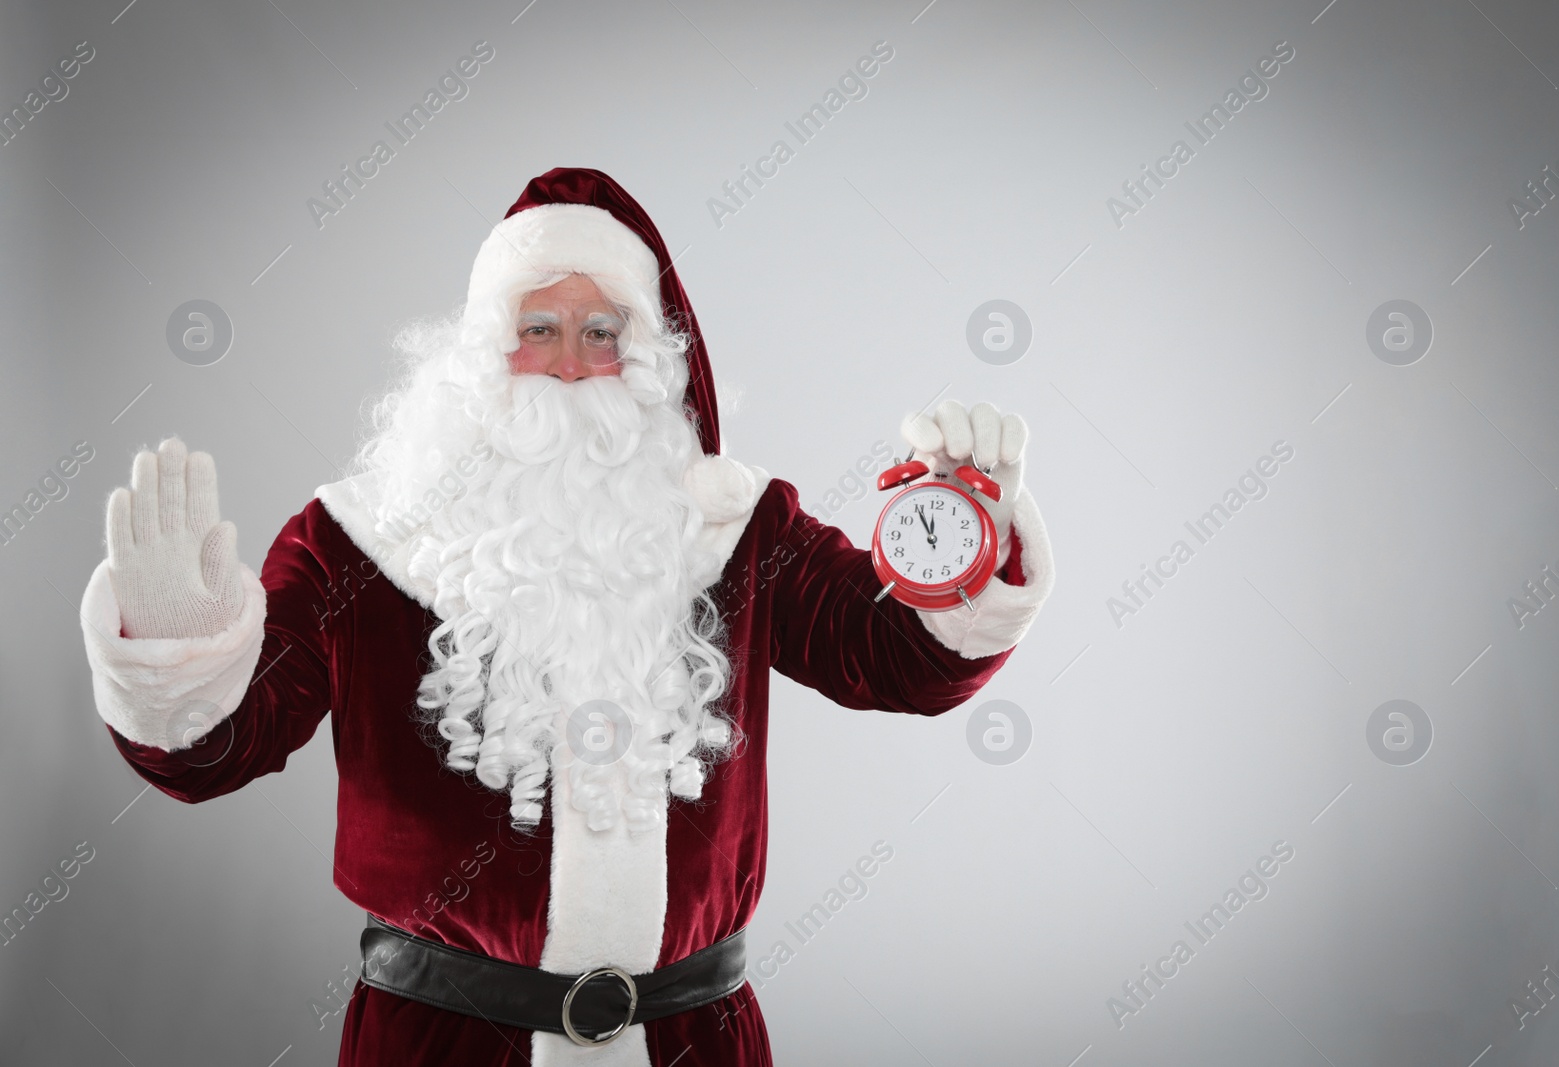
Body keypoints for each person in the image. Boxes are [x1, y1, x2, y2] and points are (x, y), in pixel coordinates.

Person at [78, 168, 1055, 1066]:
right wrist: (177, 646)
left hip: (694, 1038)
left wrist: (967, 538)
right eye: (537, 326)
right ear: (477, 351)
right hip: (442, 1041)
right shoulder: (357, 539)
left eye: (603, 333)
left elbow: (901, 662)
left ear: (649, 360)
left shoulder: (737, 528)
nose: (571, 364)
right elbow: (223, 748)